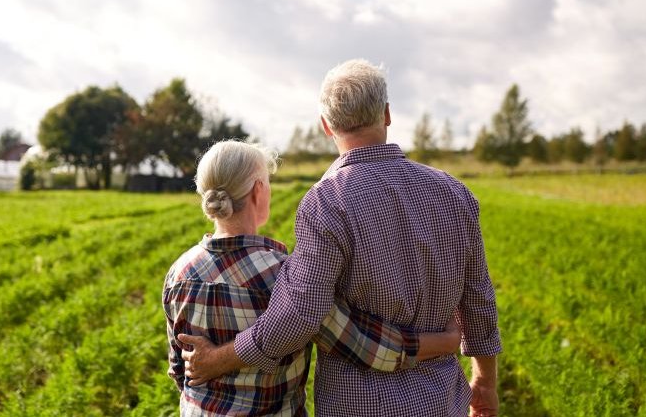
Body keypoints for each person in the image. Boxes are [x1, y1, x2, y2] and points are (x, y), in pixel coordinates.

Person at [180, 61, 502, 417]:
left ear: (326, 126)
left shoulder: (326, 202)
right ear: (388, 114)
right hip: (443, 400)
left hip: (359, 405)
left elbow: (299, 315)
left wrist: (217, 359)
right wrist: (484, 381)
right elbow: (479, 298)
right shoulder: (455, 194)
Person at [165, 140, 462, 416]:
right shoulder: (286, 276)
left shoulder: (178, 273)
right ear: (258, 191)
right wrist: (443, 341)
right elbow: (364, 345)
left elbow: (180, 370)